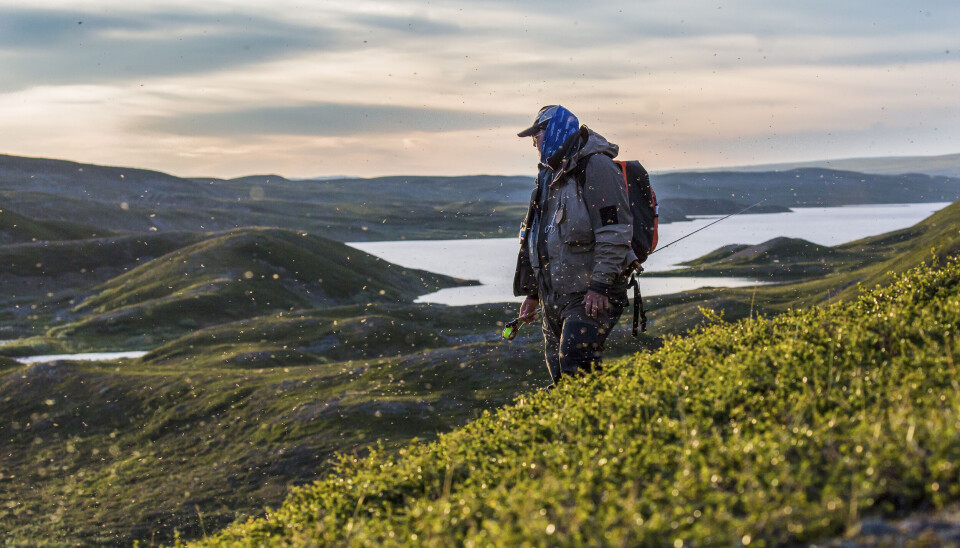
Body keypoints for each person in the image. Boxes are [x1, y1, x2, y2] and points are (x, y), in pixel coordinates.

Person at [513, 105, 637, 386]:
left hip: (590, 294)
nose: (536, 143)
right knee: (560, 375)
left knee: (576, 367)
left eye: (538, 135)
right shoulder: (547, 175)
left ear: (556, 130)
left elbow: (615, 231)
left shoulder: (596, 167)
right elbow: (538, 237)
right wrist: (533, 292)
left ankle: (606, 425)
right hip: (554, 296)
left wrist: (600, 285)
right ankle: (574, 429)